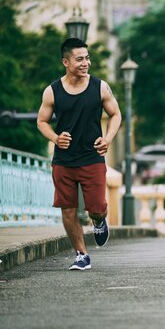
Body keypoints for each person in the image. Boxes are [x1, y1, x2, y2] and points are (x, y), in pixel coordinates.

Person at [37, 37, 122, 271]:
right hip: (63, 160)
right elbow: (42, 121)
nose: (86, 63)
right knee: (68, 208)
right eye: (80, 59)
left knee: (96, 207)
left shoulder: (100, 87)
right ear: (66, 62)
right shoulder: (52, 91)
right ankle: (81, 255)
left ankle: (99, 220)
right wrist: (55, 138)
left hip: (92, 157)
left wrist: (107, 139)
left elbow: (116, 115)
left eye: (87, 58)